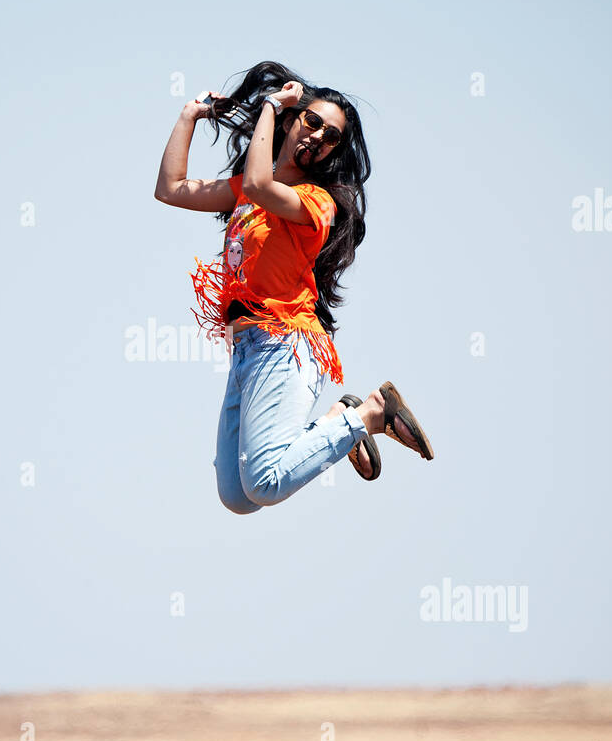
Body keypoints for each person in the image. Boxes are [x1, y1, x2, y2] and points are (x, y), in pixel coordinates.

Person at [154, 61, 434, 514]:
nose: (319, 137)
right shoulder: (245, 191)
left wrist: (268, 105)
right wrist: (189, 116)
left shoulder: (317, 202)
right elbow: (170, 188)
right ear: (290, 121)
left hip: (286, 344)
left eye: (332, 137)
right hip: (246, 347)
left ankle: (372, 413)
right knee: (237, 496)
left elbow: (259, 182)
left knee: (264, 484)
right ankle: (338, 421)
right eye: (312, 122)